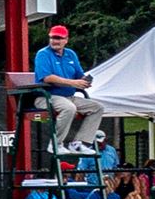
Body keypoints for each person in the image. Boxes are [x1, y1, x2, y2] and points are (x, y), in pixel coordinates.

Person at [31, 24, 104, 155]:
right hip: (46, 96)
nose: (55, 41)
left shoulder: (70, 54)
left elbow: (79, 74)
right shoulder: (43, 54)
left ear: (66, 40)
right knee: (69, 108)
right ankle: (55, 144)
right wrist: (73, 83)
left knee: (97, 107)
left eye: (59, 38)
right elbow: (47, 77)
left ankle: (78, 143)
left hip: (69, 97)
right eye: (53, 38)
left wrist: (85, 81)